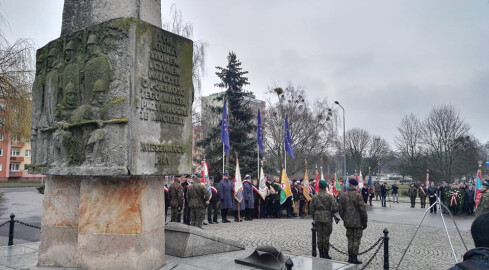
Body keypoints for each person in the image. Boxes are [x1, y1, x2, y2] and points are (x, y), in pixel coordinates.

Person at [339, 179, 368, 265]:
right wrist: (364, 222)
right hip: (357, 222)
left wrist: (345, 218)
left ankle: (350, 257)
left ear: (349, 185)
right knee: (356, 240)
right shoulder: (358, 195)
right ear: (355, 186)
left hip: (348, 222)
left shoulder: (343, 195)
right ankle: (354, 258)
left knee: (350, 239)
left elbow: (340, 210)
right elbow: (362, 210)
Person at [310, 180, 339, 260]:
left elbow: (311, 208)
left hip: (318, 218)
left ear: (319, 187)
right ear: (326, 187)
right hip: (327, 218)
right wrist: (331, 212)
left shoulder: (315, 196)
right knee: (326, 236)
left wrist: (314, 217)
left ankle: (321, 253)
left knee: (319, 236)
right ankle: (326, 254)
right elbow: (336, 207)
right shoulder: (329, 196)